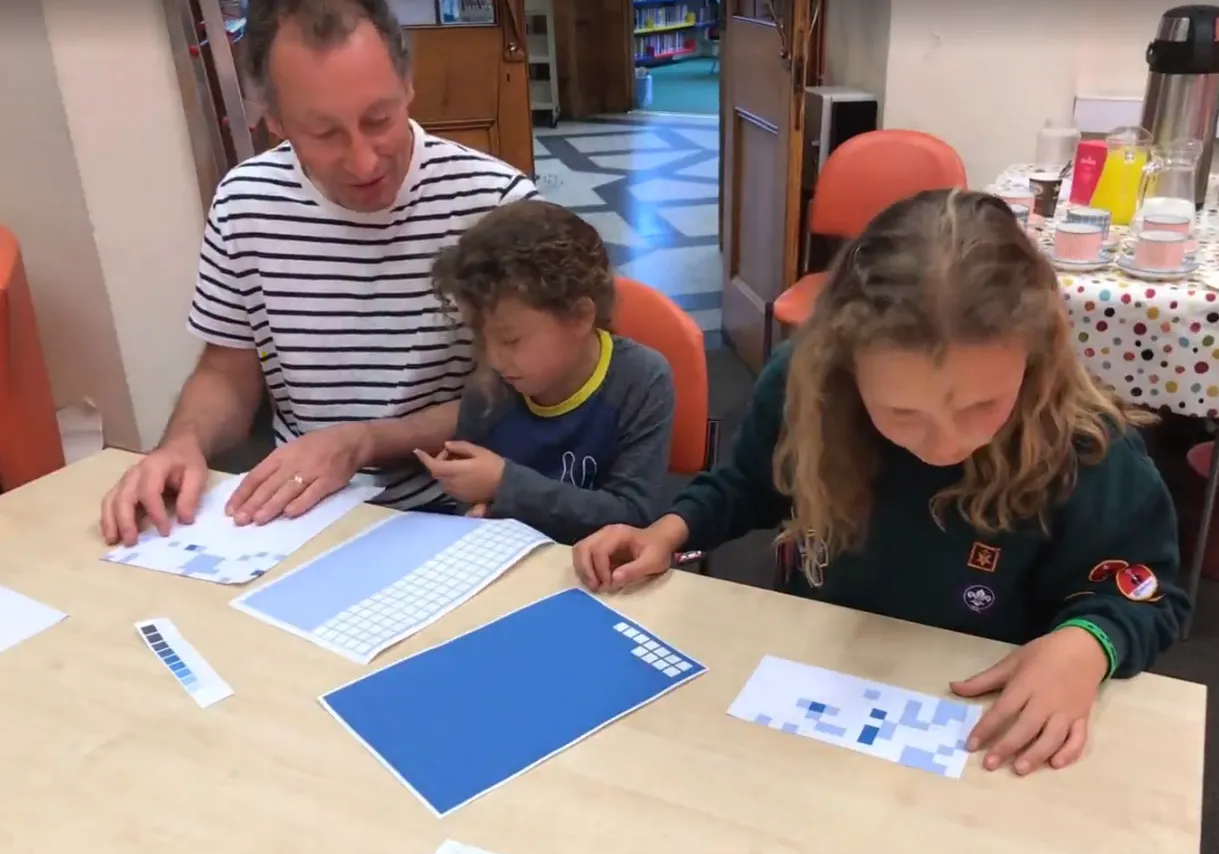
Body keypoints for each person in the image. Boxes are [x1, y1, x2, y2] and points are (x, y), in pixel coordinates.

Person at [573, 189, 1188, 776]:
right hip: (820, 680)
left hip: (975, 722)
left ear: (1034, 357)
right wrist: (671, 529)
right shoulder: (805, 389)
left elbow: (1146, 590)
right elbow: (749, 484)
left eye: (981, 406)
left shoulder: (1086, 447)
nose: (945, 441)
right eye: (901, 414)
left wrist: (1088, 645)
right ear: (846, 369)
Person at [99, 0, 537, 547]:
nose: (364, 162)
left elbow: (527, 391)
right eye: (324, 134)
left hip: (461, 510)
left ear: (408, 87)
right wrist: (182, 442)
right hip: (295, 514)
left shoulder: (497, 204)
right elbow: (228, 372)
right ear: (275, 121)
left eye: (379, 120)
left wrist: (365, 442)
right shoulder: (245, 202)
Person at [418, 200, 675, 544]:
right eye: (480, 337)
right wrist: (473, 505)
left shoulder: (641, 381)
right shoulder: (490, 388)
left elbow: (633, 516)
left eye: (511, 340)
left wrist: (505, 484)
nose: (494, 358)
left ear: (580, 317)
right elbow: (473, 502)